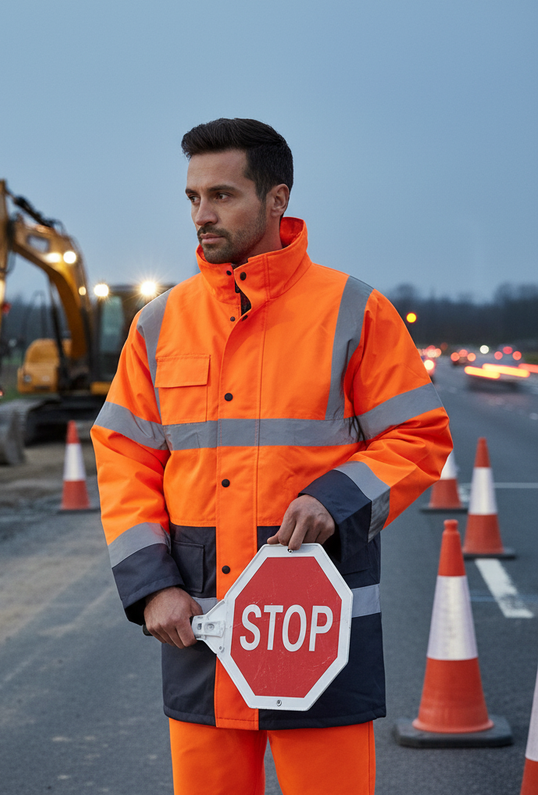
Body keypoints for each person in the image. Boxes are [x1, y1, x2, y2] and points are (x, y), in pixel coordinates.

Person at [91, 118, 452, 794]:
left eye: (222, 195)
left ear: (277, 200)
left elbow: (419, 437)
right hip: (200, 631)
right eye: (193, 197)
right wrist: (152, 588)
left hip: (316, 631)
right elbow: (123, 456)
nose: (202, 214)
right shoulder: (159, 323)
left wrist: (334, 499)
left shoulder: (354, 311)